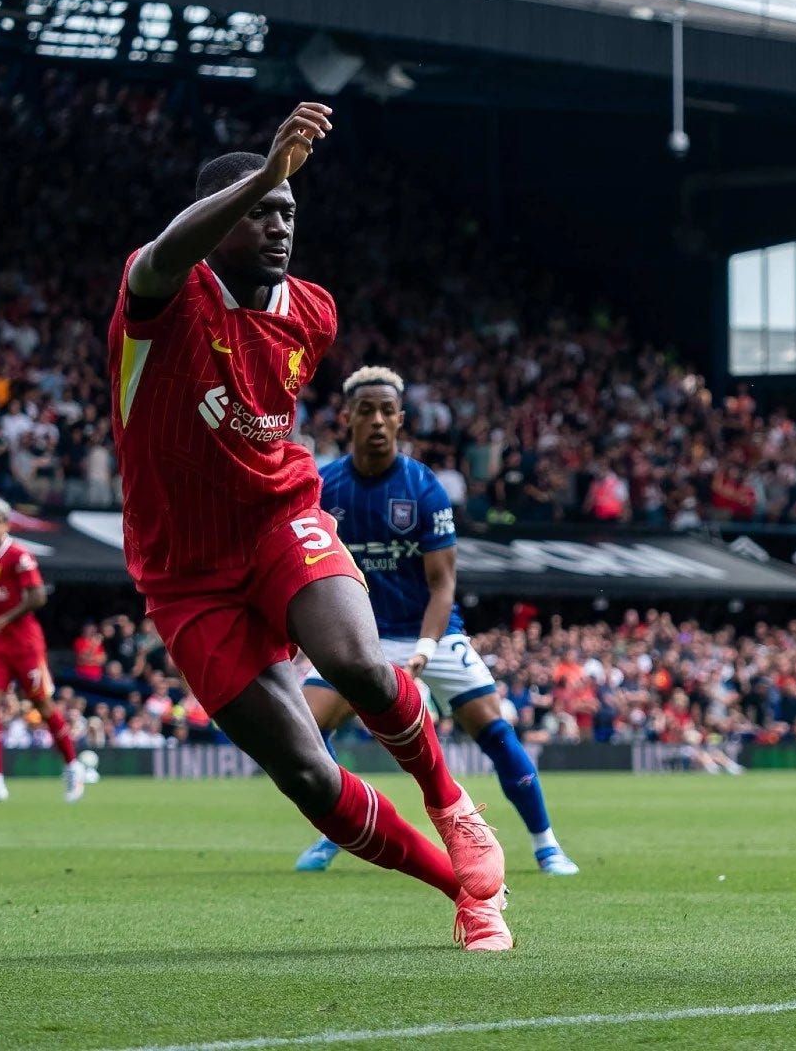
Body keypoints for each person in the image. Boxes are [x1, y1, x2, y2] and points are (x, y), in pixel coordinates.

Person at [105, 102, 509, 950]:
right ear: (219, 219)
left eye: (289, 209)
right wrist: (265, 171)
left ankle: (453, 804)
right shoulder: (161, 296)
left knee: (360, 662)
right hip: (184, 572)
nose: (281, 221)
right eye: (261, 210)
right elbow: (164, 253)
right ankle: (465, 895)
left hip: (280, 520)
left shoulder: (313, 312)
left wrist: (270, 185)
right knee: (303, 770)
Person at [292, 366, 578, 876]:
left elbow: (443, 584)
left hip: (433, 632)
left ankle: (547, 844)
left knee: (494, 728)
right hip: (360, 636)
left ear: (401, 419)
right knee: (306, 732)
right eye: (366, 411)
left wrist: (426, 646)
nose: (377, 420)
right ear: (347, 418)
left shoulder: (424, 488)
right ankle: (334, 829)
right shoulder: (322, 487)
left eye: (386, 411)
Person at [0, 497, 97, 802]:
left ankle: (73, 765)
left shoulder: (20, 555)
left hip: (24, 642)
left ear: (6, 524)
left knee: (42, 706)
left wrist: (1, 619)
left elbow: (38, 596)